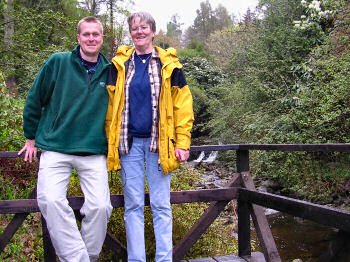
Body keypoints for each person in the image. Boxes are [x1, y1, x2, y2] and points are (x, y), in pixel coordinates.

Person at [18, 16, 113, 262]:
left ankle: (88, 256)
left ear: (102, 38)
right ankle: (76, 258)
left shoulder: (112, 71)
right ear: (78, 38)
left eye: (96, 34)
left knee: (101, 207)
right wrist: (30, 137)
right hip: (56, 147)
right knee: (49, 199)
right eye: (86, 34)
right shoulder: (58, 62)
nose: (91, 38)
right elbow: (34, 98)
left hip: (94, 151)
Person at [105, 11, 194, 262]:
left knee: (161, 206)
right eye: (135, 28)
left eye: (144, 27)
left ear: (153, 31)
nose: (139, 32)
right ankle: (137, 259)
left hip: (160, 146)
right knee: (132, 206)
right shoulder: (120, 65)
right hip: (128, 145)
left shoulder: (170, 66)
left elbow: (183, 109)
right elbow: (110, 109)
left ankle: (164, 259)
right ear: (131, 33)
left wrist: (183, 142)